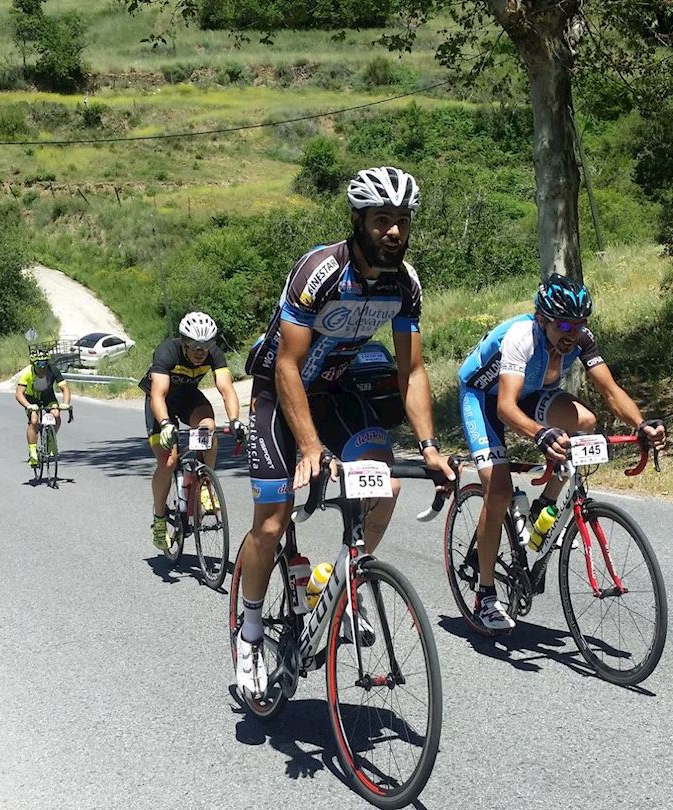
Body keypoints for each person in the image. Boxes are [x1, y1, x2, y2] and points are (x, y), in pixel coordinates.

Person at [234, 166, 453, 700]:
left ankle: (343, 586)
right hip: (276, 392)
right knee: (272, 520)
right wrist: (309, 447)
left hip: (333, 391)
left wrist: (428, 446)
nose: (395, 231)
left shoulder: (406, 284)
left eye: (403, 220)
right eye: (382, 220)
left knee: (386, 488)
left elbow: (413, 371)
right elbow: (287, 365)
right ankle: (250, 633)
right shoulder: (320, 270)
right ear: (358, 221)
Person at [456, 274, 667, 632]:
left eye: (580, 323)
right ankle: (486, 596)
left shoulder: (580, 339)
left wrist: (641, 424)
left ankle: (544, 505)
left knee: (585, 420)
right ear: (543, 319)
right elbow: (506, 407)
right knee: (500, 490)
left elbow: (610, 391)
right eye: (565, 324)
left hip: (529, 392)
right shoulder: (521, 337)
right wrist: (540, 434)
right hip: (483, 398)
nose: (573, 333)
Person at [141, 311, 245, 551]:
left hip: (188, 398)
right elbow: (158, 394)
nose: (202, 351)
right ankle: (159, 521)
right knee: (168, 462)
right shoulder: (167, 351)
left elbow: (226, 389)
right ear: (184, 343)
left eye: (207, 345)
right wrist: (166, 424)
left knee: (208, 429)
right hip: (161, 404)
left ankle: (204, 485)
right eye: (196, 346)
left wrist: (235, 420)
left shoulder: (214, 354)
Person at [14, 349, 71, 465]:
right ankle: (33, 451)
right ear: (33, 364)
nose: (42, 367)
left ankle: (51, 442)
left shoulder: (53, 370)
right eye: (39, 364)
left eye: (45, 364)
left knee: (56, 414)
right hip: (31, 399)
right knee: (34, 420)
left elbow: (65, 388)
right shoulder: (27, 373)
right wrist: (28, 405)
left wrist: (65, 403)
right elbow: (19, 394)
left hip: (47, 397)